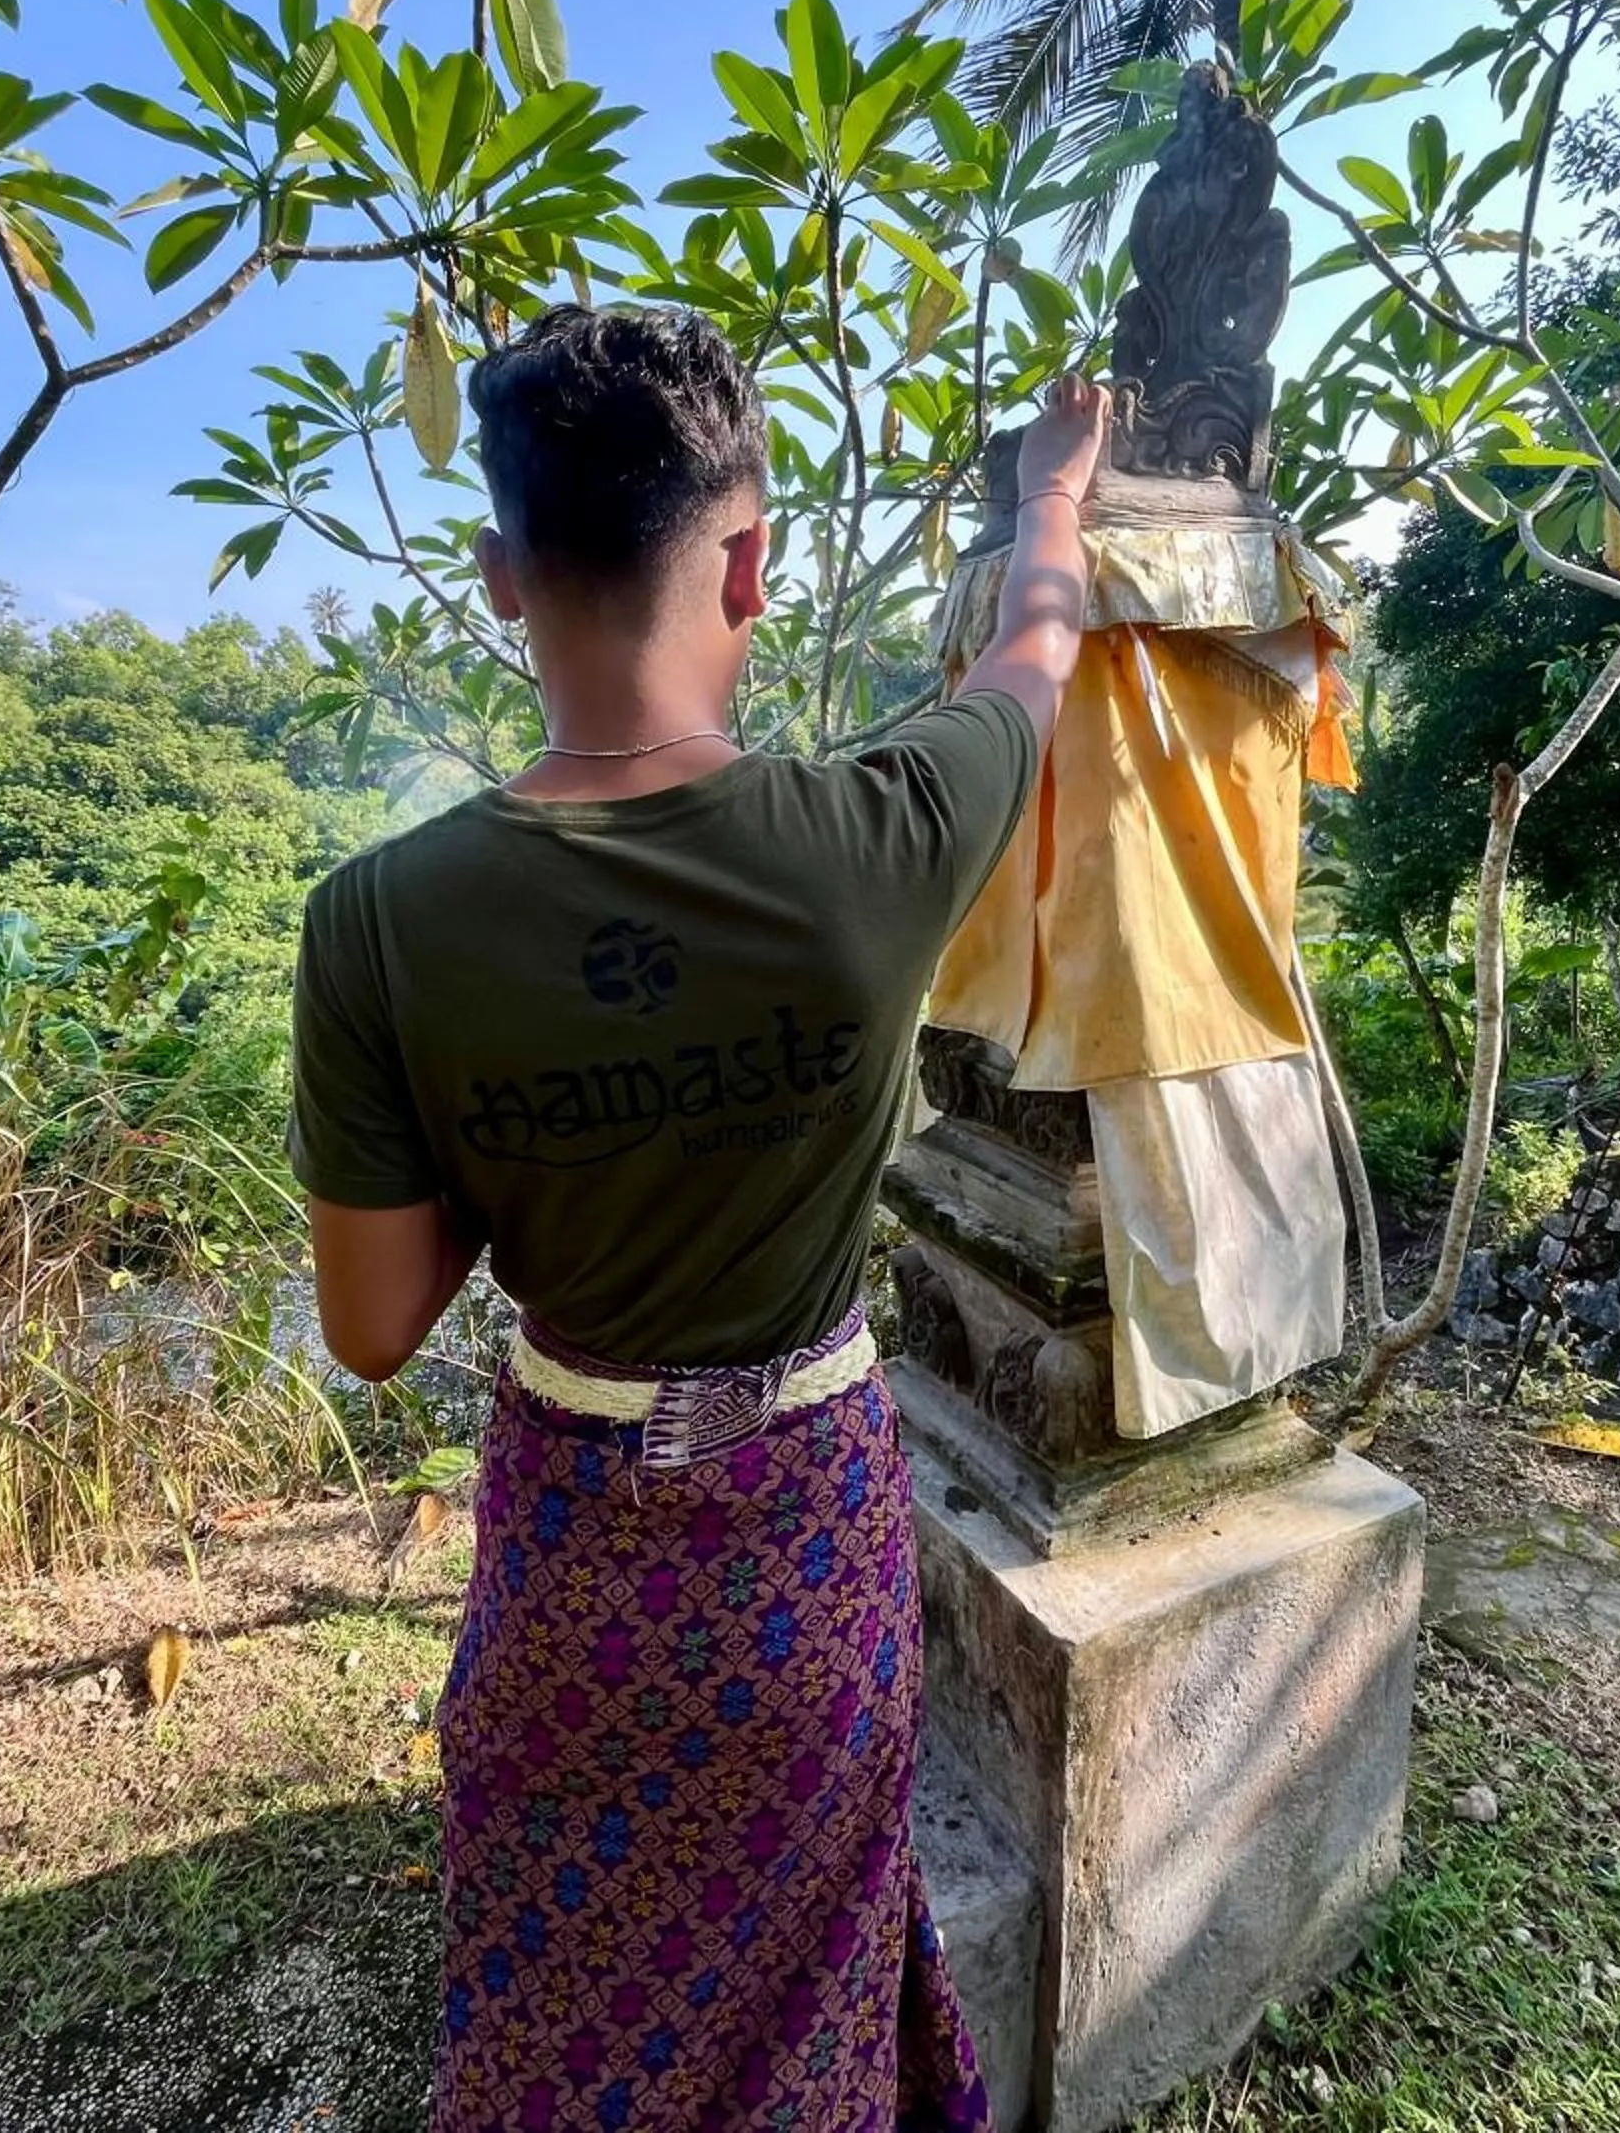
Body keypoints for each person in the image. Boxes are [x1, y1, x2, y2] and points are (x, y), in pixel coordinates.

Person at [292, 300, 1108, 2132]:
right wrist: (1054, 492)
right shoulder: (883, 833)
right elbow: (1032, 652)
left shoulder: (376, 923)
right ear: (749, 565)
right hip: (808, 1540)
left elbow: (372, 1322)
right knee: (807, 1997)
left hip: (572, 1553)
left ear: (502, 579)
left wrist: (528, 1143)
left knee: (562, 2015)